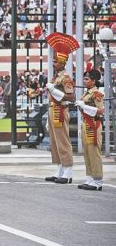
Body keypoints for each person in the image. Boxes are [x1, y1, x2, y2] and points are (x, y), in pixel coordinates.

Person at [44, 32, 78, 184]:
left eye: (56, 62)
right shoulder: (56, 78)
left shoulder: (65, 78)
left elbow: (71, 97)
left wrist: (54, 90)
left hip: (60, 110)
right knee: (54, 141)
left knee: (63, 141)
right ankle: (59, 169)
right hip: (53, 109)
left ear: (63, 63)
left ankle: (68, 171)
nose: (53, 63)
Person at [75, 69, 105, 191]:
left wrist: (84, 106)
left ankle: (97, 180)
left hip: (93, 124)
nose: (85, 81)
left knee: (94, 152)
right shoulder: (87, 93)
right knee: (87, 152)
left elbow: (101, 110)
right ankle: (91, 178)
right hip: (86, 123)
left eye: (87, 79)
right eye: (85, 79)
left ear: (93, 81)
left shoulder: (96, 93)